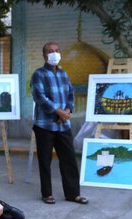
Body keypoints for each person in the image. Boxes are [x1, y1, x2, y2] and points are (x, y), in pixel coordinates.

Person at [30, 41, 88, 205]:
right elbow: (39, 97)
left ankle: (73, 194)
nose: (54, 54)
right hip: (44, 126)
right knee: (45, 161)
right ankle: (47, 193)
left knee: (69, 159)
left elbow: (71, 93)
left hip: (63, 125)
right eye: (50, 51)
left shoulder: (63, 74)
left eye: (56, 50)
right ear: (44, 55)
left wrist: (68, 110)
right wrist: (58, 111)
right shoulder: (38, 74)